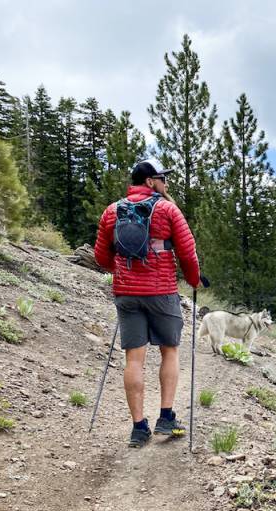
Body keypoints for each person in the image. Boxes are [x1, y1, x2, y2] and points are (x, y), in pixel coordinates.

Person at [94, 158, 201, 447]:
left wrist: (123, 273)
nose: (166, 183)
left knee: (134, 359)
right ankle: (166, 417)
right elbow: (188, 253)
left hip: (127, 293)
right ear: (150, 182)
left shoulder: (112, 211)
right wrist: (193, 280)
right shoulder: (168, 209)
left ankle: (139, 428)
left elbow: (102, 258)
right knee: (169, 350)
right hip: (161, 291)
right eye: (162, 178)